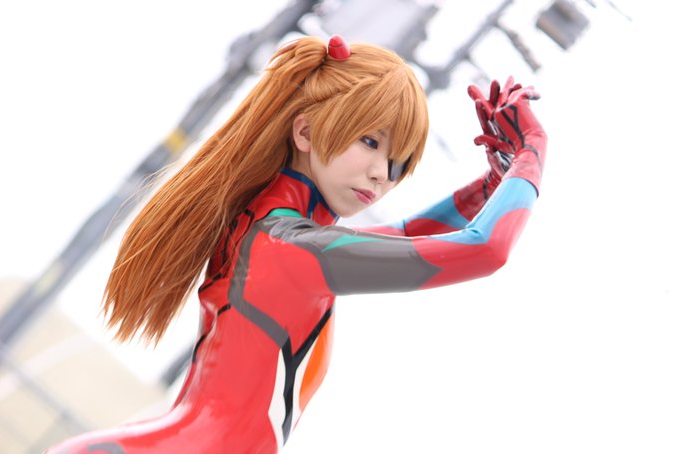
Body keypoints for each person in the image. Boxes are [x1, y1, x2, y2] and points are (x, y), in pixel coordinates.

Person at [46, 34, 546, 453]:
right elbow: (485, 249)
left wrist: (493, 182)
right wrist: (531, 155)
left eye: (398, 164)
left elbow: (406, 236)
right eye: (371, 142)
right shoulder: (288, 246)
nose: (381, 173)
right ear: (305, 131)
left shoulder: (280, 232)